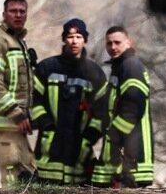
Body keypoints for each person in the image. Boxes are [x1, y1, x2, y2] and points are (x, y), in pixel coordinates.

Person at [29, 18, 109, 185]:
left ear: (85, 40)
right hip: (50, 148)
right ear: (64, 39)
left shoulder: (95, 74)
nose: (74, 41)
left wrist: (89, 137)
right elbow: (34, 101)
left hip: (79, 152)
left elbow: (102, 111)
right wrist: (46, 124)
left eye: (79, 36)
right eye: (70, 36)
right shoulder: (46, 68)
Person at [0, 0, 37, 185]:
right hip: (4, 123)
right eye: (13, 11)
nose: (18, 15)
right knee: (14, 176)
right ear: (4, 14)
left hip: (16, 124)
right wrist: (16, 114)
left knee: (28, 173)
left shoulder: (17, 42)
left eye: (22, 11)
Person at [91, 25, 154, 188]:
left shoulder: (130, 66)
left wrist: (115, 133)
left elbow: (134, 107)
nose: (113, 47)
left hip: (132, 149)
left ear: (128, 43)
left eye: (117, 42)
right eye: (109, 44)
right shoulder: (119, 68)